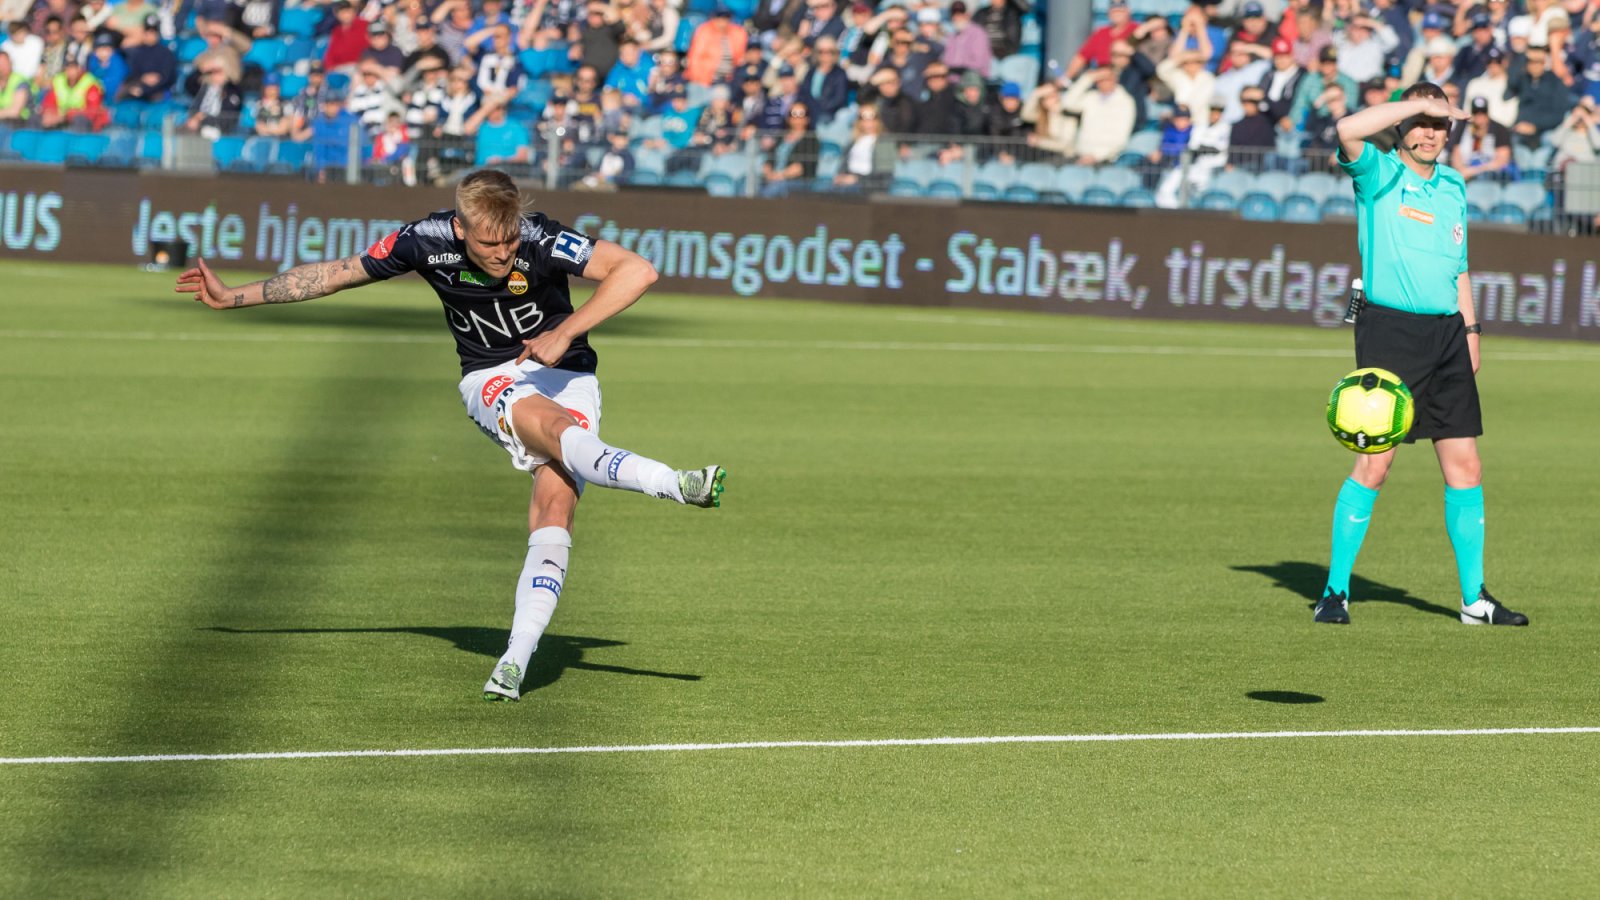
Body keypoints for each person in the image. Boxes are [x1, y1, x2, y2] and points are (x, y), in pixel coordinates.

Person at [175, 169, 727, 703]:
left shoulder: (539, 237)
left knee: (555, 506)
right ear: (460, 229)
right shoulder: (424, 240)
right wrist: (233, 297)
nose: (503, 253)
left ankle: (515, 659)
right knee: (556, 430)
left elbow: (637, 271)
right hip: (491, 377)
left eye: (509, 239)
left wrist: (566, 330)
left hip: (569, 374)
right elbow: (336, 274)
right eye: (488, 243)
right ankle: (673, 483)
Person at [1314, 81, 1527, 628]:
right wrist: (1420, 104)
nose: (1430, 133)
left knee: (1466, 466)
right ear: (1402, 125)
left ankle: (1474, 600)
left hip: (1448, 334)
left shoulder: (1454, 184)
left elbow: (1459, 265)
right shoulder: (1379, 173)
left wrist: (1472, 330)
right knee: (1375, 464)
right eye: (1421, 123)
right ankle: (1334, 593)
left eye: (1439, 124)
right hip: (1391, 334)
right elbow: (1346, 129)